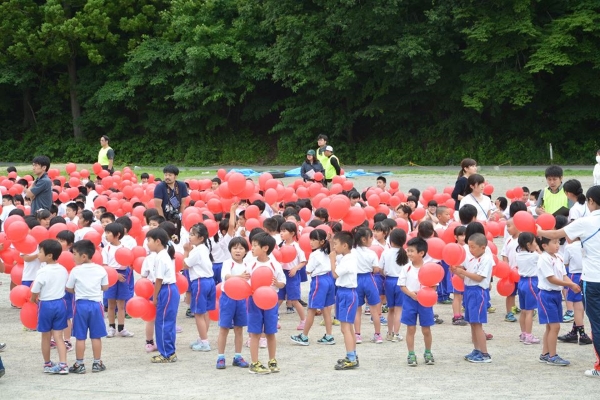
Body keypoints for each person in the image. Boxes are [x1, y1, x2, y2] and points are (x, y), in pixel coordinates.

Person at [537, 186, 600, 377]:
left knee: (597, 324)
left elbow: (556, 235)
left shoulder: (585, 221)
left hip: (593, 279)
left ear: (590, 201)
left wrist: (539, 229)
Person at [66, 239, 109, 374]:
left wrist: (78, 290)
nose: (73, 257)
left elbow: (69, 288)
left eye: (74, 254)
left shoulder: (75, 270)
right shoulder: (101, 269)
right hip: (96, 305)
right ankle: (97, 363)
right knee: (96, 336)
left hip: (81, 305)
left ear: (83, 256)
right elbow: (105, 287)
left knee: (80, 336)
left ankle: (79, 364)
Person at [535, 236, 580, 366]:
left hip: (556, 294)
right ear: (544, 246)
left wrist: (572, 284)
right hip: (546, 295)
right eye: (554, 242)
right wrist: (571, 285)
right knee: (555, 326)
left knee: (550, 327)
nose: (557, 244)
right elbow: (552, 279)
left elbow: (563, 275)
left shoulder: (558, 257)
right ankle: (552, 356)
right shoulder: (544, 258)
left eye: (558, 242)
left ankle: (545, 354)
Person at [247, 232, 286, 374]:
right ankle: (254, 362)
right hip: (254, 300)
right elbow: (246, 282)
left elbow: (282, 283)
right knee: (255, 332)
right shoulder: (250, 264)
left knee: (271, 332)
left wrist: (277, 283)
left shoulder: (275, 264)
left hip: (271, 301)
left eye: (255, 245)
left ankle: (272, 360)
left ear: (265, 248)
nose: (252, 248)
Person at [290, 229, 336, 346]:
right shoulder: (329, 252)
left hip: (319, 281)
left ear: (321, 241)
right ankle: (329, 335)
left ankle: (304, 336)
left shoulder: (314, 254)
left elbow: (308, 270)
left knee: (311, 309)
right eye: (311, 239)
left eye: (314, 240)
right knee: (326, 309)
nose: (311, 242)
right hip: (330, 279)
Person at [452, 232, 493, 363]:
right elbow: (467, 279)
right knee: (472, 323)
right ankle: (477, 349)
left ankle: (484, 353)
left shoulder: (486, 259)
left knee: (478, 323)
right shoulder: (472, 259)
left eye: (473, 247)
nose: (470, 250)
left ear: (483, 247)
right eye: (469, 247)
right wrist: (456, 272)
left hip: (478, 292)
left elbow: (479, 278)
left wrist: (463, 271)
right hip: (469, 290)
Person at [31, 239, 70, 374]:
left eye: (40, 251)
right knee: (59, 336)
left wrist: (32, 299)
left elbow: (35, 289)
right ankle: (63, 364)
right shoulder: (63, 269)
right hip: (60, 303)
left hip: (46, 304)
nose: (38, 254)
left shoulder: (42, 271)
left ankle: (47, 363)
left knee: (45, 336)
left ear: (49, 255)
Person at [399, 237, 436, 366]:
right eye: (408, 250)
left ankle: (428, 352)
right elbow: (402, 285)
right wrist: (411, 294)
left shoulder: (429, 268)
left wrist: (424, 293)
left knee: (426, 329)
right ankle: (411, 354)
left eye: (412, 251)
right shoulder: (406, 268)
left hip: (425, 302)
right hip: (410, 300)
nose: (409, 253)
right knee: (411, 328)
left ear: (421, 253)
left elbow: (434, 285)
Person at [216, 237, 251, 369]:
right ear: (230, 250)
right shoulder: (227, 263)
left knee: (239, 328)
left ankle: (237, 356)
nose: (238, 251)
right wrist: (240, 277)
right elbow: (226, 276)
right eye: (235, 248)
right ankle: (220, 357)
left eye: (241, 248)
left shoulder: (247, 264)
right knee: (224, 328)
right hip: (228, 298)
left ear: (246, 251)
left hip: (242, 299)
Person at [147, 228, 180, 363]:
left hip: (166, 289)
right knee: (168, 322)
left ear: (158, 241)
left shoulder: (160, 257)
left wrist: (155, 297)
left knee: (163, 323)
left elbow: (159, 279)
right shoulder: (163, 255)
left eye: (149, 240)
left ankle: (166, 353)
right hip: (170, 290)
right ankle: (170, 351)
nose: (147, 244)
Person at [184, 223, 216, 352]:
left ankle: (204, 342)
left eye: (192, 234)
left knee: (198, 313)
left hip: (200, 282)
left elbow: (184, 265)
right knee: (205, 312)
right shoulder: (203, 248)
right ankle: (203, 338)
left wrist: (186, 251)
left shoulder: (196, 250)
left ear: (201, 237)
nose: (190, 237)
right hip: (209, 281)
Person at [331, 231, 359, 370]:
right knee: (349, 327)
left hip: (348, 293)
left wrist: (331, 259)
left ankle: (351, 358)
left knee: (345, 328)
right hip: (343, 292)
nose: (334, 247)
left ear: (345, 245)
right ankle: (352, 354)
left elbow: (335, 274)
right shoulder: (346, 257)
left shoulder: (349, 259)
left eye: (336, 244)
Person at [558, 238, 593, 345]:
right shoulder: (588, 244)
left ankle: (582, 335)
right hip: (587, 275)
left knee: (577, 307)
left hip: (575, 276)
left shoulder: (570, 247)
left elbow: (566, 263)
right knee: (581, 306)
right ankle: (574, 332)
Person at [102, 223, 134, 338]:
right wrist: (115, 275)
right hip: (110, 275)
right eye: (106, 233)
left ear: (117, 234)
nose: (106, 235)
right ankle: (111, 327)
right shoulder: (106, 249)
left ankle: (121, 328)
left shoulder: (125, 248)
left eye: (108, 233)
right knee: (111, 304)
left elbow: (130, 262)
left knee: (121, 303)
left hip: (123, 275)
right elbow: (105, 265)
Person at [352, 227, 384, 344]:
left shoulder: (351, 251)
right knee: (374, 310)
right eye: (371, 237)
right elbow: (376, 269)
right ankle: (378, 335)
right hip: (369, 279)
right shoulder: (371, 253)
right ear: (364, 239)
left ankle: (357, 335)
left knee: (357, 310)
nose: (372, 239)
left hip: (355, 280)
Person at [277, 222, 307, 329]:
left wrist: (295, 268)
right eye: (281, 231)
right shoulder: (280, 246)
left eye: (284, 231)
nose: (281, 233)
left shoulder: (297, 247)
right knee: (279, 298)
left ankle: (304, 321)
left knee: (294, 299)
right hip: (281, 275)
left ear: (292, 233)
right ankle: (273, 319)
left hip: (292, 275)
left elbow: (303, 261)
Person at [381, 229, 407, 342]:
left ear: (391, 240)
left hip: (388, 281)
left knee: (390, 309)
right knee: (399, 310)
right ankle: (396, 334)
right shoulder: (406, 253)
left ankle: (389, 333)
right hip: (401, 282)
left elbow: (380, 269)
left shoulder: (386, 252)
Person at [515, 232, 541, 345]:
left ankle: (524, 333)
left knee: (524, 310)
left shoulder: (518, 255)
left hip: (521, 282)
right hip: (531, 281)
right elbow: (543, 258)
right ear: (528, 244)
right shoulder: (534, 255)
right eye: (534, 242)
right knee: (530, 311)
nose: (536, 244)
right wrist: (538, 250)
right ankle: (529, 335)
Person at [153, 165, 189, 234]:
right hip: (164, 216)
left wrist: (180, 219)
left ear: (175, 176)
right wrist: (163, 222)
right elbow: (158, 206)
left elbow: (183, 204)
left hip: (176, 216)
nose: (167, 177)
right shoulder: (160, 187)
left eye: (170, 175)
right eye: (165, 175)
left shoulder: (181, 185)